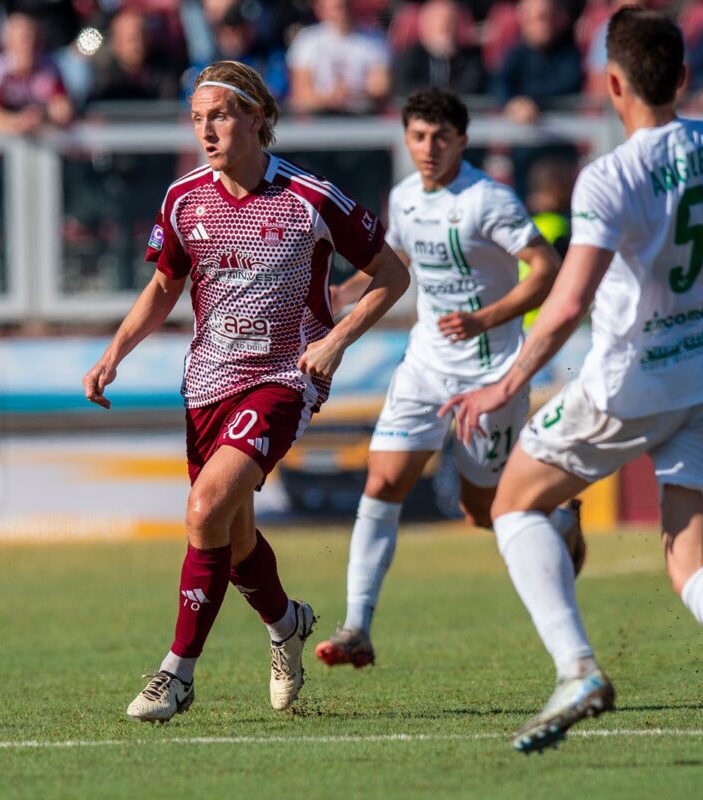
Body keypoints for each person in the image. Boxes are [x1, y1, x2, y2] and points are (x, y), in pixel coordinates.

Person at [83, 59, 409, 723]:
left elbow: (391, 275)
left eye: (221, 115)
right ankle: (287, 623)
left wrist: (336, 340)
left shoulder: (311, 199)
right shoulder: (183, 200)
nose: (207, 130)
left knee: (204, 508)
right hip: (207, 383)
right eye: (198, 118)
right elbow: (164, 288)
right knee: (230, 542)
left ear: (259, 119)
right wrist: (113, 353)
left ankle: (176, 675)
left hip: (286, 375)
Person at [441, 7, 703, 754]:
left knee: (514, 505)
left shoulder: (610, 176)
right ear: (683, 78)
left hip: (630, 383)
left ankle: (577, 669)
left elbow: (567, 302)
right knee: (689, 557)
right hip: (701, 373)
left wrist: (507, 381)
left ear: (612, 84)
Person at [314, 87, 584, 669]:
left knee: (483, 512)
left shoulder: (490, 201)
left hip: (490, 376)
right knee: (382, 484)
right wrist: (342, 291)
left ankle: (561, 517)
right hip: (423, 368)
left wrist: (486, 317)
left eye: (440, 136)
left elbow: (547, 269)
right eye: (417, 136)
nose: (428, 147)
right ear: (406, 139)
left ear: (462, 139)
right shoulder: (406, 196)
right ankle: (356, 625)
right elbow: (399, 260)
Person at [0, 12, 72, 135]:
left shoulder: (49, 66)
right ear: (8, 42)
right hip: (6, 137)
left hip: (43, 135)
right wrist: (17, 122)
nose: (29, 45)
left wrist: (41, 115)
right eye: (23, 39)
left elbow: (64, 110)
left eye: (33, 38)